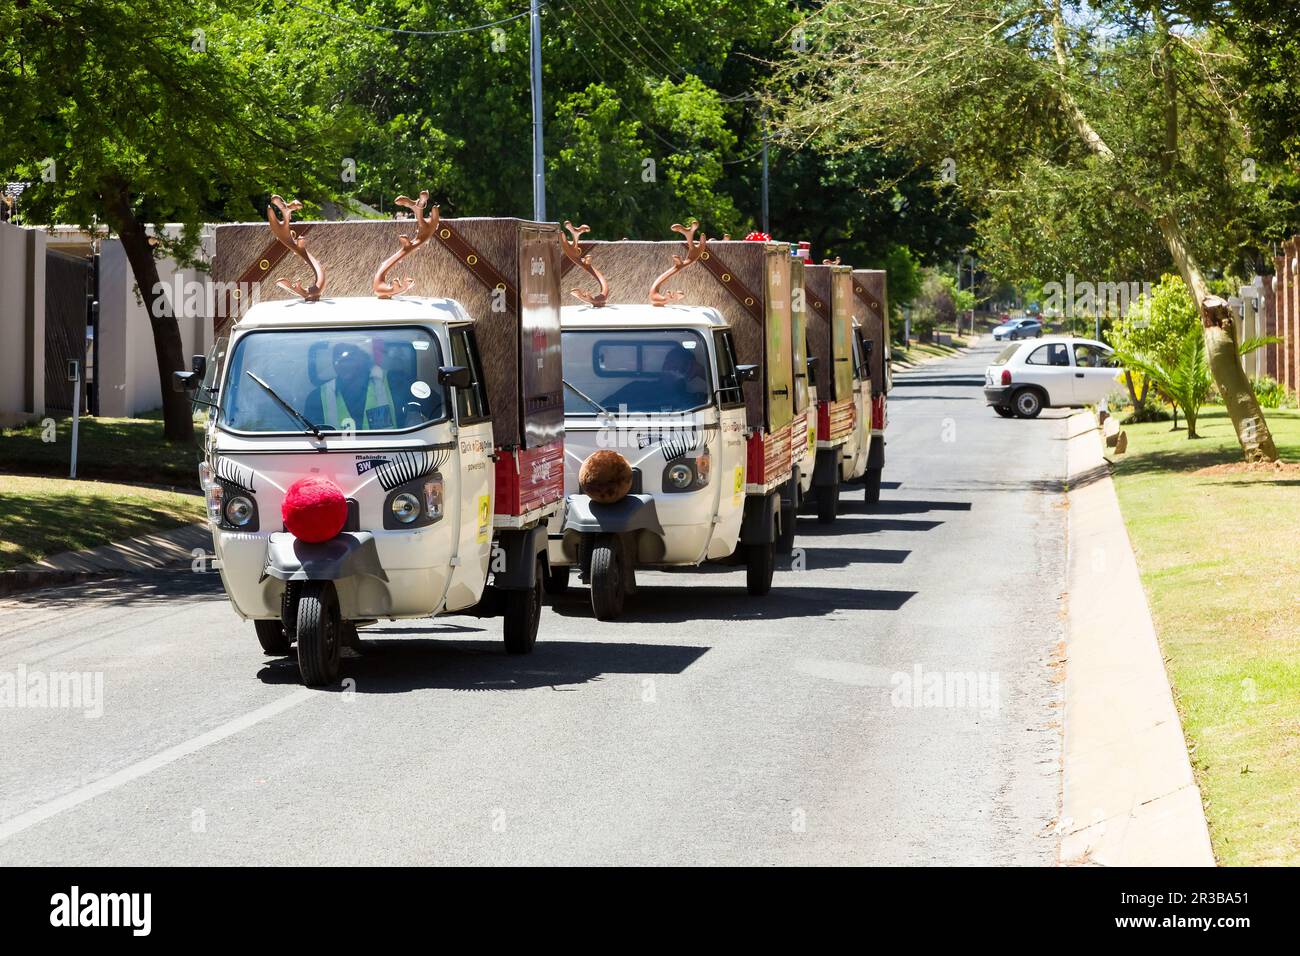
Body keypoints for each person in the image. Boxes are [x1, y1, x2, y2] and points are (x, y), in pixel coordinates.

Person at [305, 341, 433, 430]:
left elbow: (436, 406)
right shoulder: (317, 397)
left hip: (392, 464)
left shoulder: (395, 382)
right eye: (337, 359)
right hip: (337, 463)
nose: (342, 364)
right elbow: (309, 439)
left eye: (349, 358)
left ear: (364, 358)